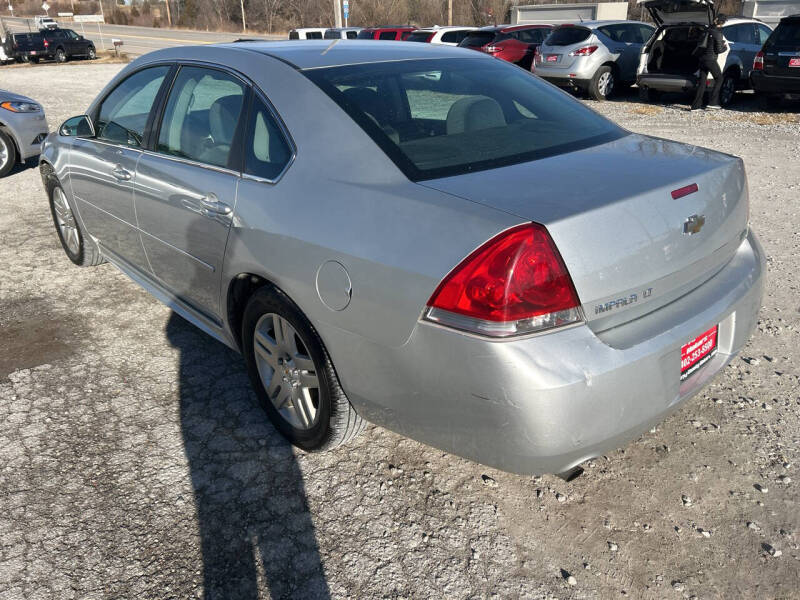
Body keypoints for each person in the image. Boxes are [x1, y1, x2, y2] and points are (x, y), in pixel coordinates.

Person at [690, 17, 727, 110]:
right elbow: (719, 50)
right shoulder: (718, 33)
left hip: (702, 59)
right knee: (719, 79)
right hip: (710, 60)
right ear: (722, 23)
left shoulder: (706, 30)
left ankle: (695, 106)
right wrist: (725, 47)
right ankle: (713, 102)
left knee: (702, 83)